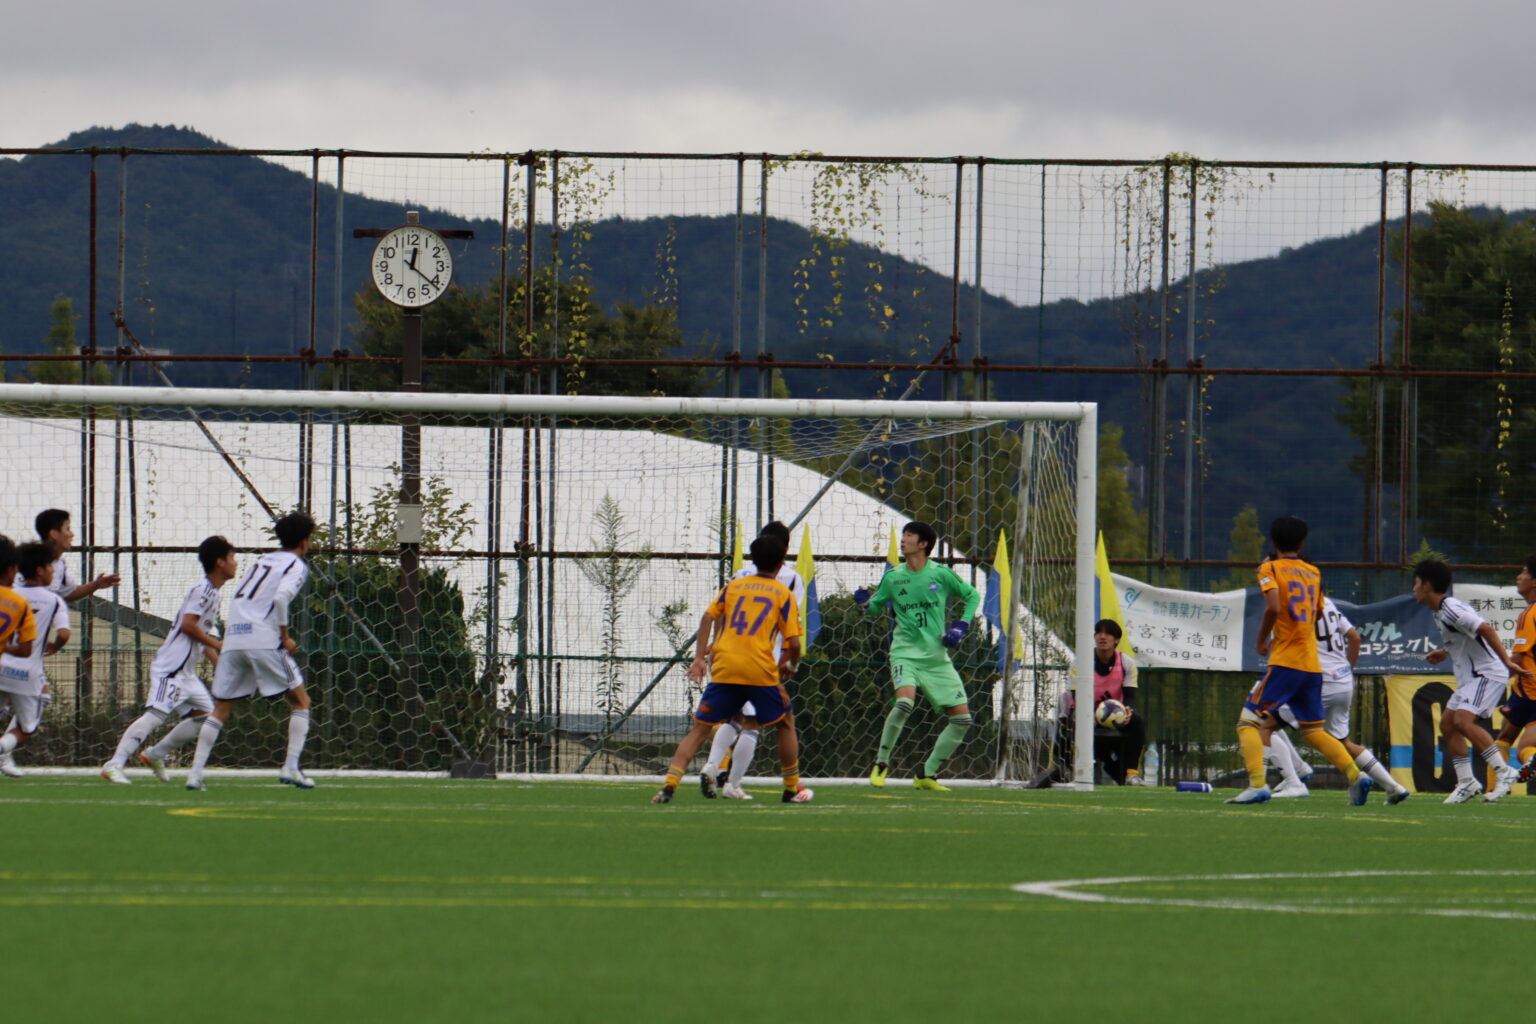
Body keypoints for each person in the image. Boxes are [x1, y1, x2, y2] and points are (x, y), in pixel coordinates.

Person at [1227, 516, 1369, 806]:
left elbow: (1273, 607)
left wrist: (1261, 640)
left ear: (1273, 542)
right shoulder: (1313, 572)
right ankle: (1355, 775)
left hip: (1286, 661)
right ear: (1302, 543)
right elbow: (1316, 613)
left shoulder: (1269, 568)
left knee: (1248, 722)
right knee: (1313, 730)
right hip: (1312, 665)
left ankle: (1257, 785)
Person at [659, 536, 810, 804]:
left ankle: (669, 786)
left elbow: (708, 617)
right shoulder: (783, 593)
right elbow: (795, 643)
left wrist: (699, 658)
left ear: (753, 559)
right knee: (784, 722)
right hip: (759, 667)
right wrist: (792, 664)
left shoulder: (734, 586)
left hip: (725, 665)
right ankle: (791, 788)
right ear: (781, 563)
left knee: (701, 728)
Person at [185, 512, 316, 791]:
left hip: (234, 637)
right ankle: (291, 767)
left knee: (220, 708)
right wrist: (284, 637)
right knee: (301, 701)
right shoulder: (296, 564)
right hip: (263, 639)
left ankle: (195, 774)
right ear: (304, 541)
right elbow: (280, 598)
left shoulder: (262, 562)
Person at [856, 520, 981, 792]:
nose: (903, 539)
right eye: (904, 534)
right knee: (904, 703)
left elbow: (972, 596)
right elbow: (875, 606)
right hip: (905, 654)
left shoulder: (940, 574)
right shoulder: (893, 577)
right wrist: (865, 602)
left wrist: (960, 627)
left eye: (909, 535)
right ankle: (881, 764)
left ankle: (927, 774)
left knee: (962, 720)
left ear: (923, 544)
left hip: (936, 658)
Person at [101, 536, 236, 784]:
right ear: (219, 562)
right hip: (172, 667)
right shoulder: (203, 590)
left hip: (186, 673)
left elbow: (201, 634)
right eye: (232, 558)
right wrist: (219, 645)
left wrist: (217, 661)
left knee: (206, 717)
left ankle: (155, 754)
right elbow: (188, 626)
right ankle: (114, 764)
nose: (235, 563)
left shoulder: (213, 594)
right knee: (156, 715)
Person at [1264, 594, 1410, 803]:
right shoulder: (1328, 603)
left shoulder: (1297, 605)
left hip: (1317, 681)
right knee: (1343, 741)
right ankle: (1393, 786)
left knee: (1262, 724)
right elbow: (1355, 637)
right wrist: (1347, 671)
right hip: (1342, 680)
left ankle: (1292, 780)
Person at [700, 521, 807, 800]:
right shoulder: (792, 579)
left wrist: (715, 645)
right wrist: (789, 661)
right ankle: (733, 782)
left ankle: (714, 767)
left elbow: (721, 612)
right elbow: (790, 623)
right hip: (764, 660)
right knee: (756, 722)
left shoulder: (740, 575)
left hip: (729, 653)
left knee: (735, 717)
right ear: (785, 549)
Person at [1412, 558, 1530, 804]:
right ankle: (1467, 781)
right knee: (1448, 725)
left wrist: (1507, 663)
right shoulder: (1441, 611)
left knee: (1462, 721)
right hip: (1472, 678)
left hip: (1487, 674)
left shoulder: (1451, 608)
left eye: (1416, 583)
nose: (1414, 589)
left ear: (1427, 585)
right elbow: (1467, 636)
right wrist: (1445, 651)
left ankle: (1503, 771)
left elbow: (1485, 629)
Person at [0, 543, 71, 777]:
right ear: (40, 570)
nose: (53, 571)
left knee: (43, 694)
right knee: (28, 727)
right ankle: (2, 751)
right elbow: (63, 634)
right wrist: (55, 646)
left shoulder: (11, 594)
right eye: (50, 567)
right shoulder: (53, 600)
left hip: (2, 665)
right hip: (27, 672)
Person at [1055, 619, 1150, 785]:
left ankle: (1131, 774)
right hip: (1084, 713)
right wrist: (1088, 714)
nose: (1102, 636)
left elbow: (1129, 695)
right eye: (1099, 633)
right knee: (1067, 725)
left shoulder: (1127, 663)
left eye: (1108, 633)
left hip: (1114, 715)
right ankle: (1068, 771)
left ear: (1117, 640)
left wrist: (1127, 711)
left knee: (1136, 721)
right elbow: (1076, 694)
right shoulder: (1080, 662)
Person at [33, 508, 120, 604]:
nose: (72, 534)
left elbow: (69, 593)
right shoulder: (32, 561)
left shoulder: (60, 562)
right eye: (68, 529)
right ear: (54, 534)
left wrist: (96, 584)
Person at [1508, 557, 1536, 784]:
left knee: (1523, 749)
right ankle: (1494, 792)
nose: (1519, 577)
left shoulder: (1530, 614)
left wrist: (1494, 678)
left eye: (1524, 572)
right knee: (1505, 736)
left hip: (1531, 690)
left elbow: (1517, 657)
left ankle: (1492, 791)